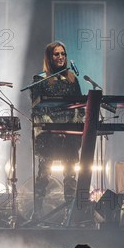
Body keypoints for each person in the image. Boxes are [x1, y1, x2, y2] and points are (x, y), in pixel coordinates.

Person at [31, 41, 83, 219]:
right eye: (56, 54)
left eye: (63, 54)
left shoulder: (72, 79)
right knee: (44, 175)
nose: (61, 57)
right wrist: (53, 128)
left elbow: (79, 105)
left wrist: (72, 125)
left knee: (70, 175)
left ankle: (70, 214)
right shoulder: (40, 79)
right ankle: (36, 213)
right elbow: (37, 108)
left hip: (69, 135)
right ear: (49, 57)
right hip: (49, 135)